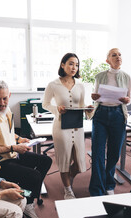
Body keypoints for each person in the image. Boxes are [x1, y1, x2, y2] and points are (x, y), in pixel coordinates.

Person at [0, 80, 52, 218]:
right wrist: (13, 147)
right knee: (34, 176)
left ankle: (25, 197)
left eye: (5, 98)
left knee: (46, 161)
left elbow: (8, 133)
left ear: (9, 95)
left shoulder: (5, 110)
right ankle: (28, 200)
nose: (2, 102)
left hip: (12, 153)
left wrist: (19, 138)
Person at [43, 53, 93, 200]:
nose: (74, 67)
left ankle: (68, 177)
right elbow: (45, 104)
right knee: (64, 159)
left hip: (77, 127)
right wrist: (56, 109)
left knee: (78, 163)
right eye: (71, 64)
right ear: (62, 65)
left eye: (76, 65)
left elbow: (82, 105)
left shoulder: (80, 85)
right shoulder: (53, 85)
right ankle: (67, 189)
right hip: (61, 127)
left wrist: (88, 109)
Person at [89, 48, 131, 196]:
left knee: (114, 152)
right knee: (98, 153)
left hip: (118, 115)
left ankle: (109, 183)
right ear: (107, 60)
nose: (118, 57)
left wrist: (127, 100)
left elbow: (129, 99)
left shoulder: (127, 77)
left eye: (120, 54)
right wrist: (94, 97)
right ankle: (97, 189)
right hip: (101, 114)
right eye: (114, 55)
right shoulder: (99, 76)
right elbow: (96, 97)